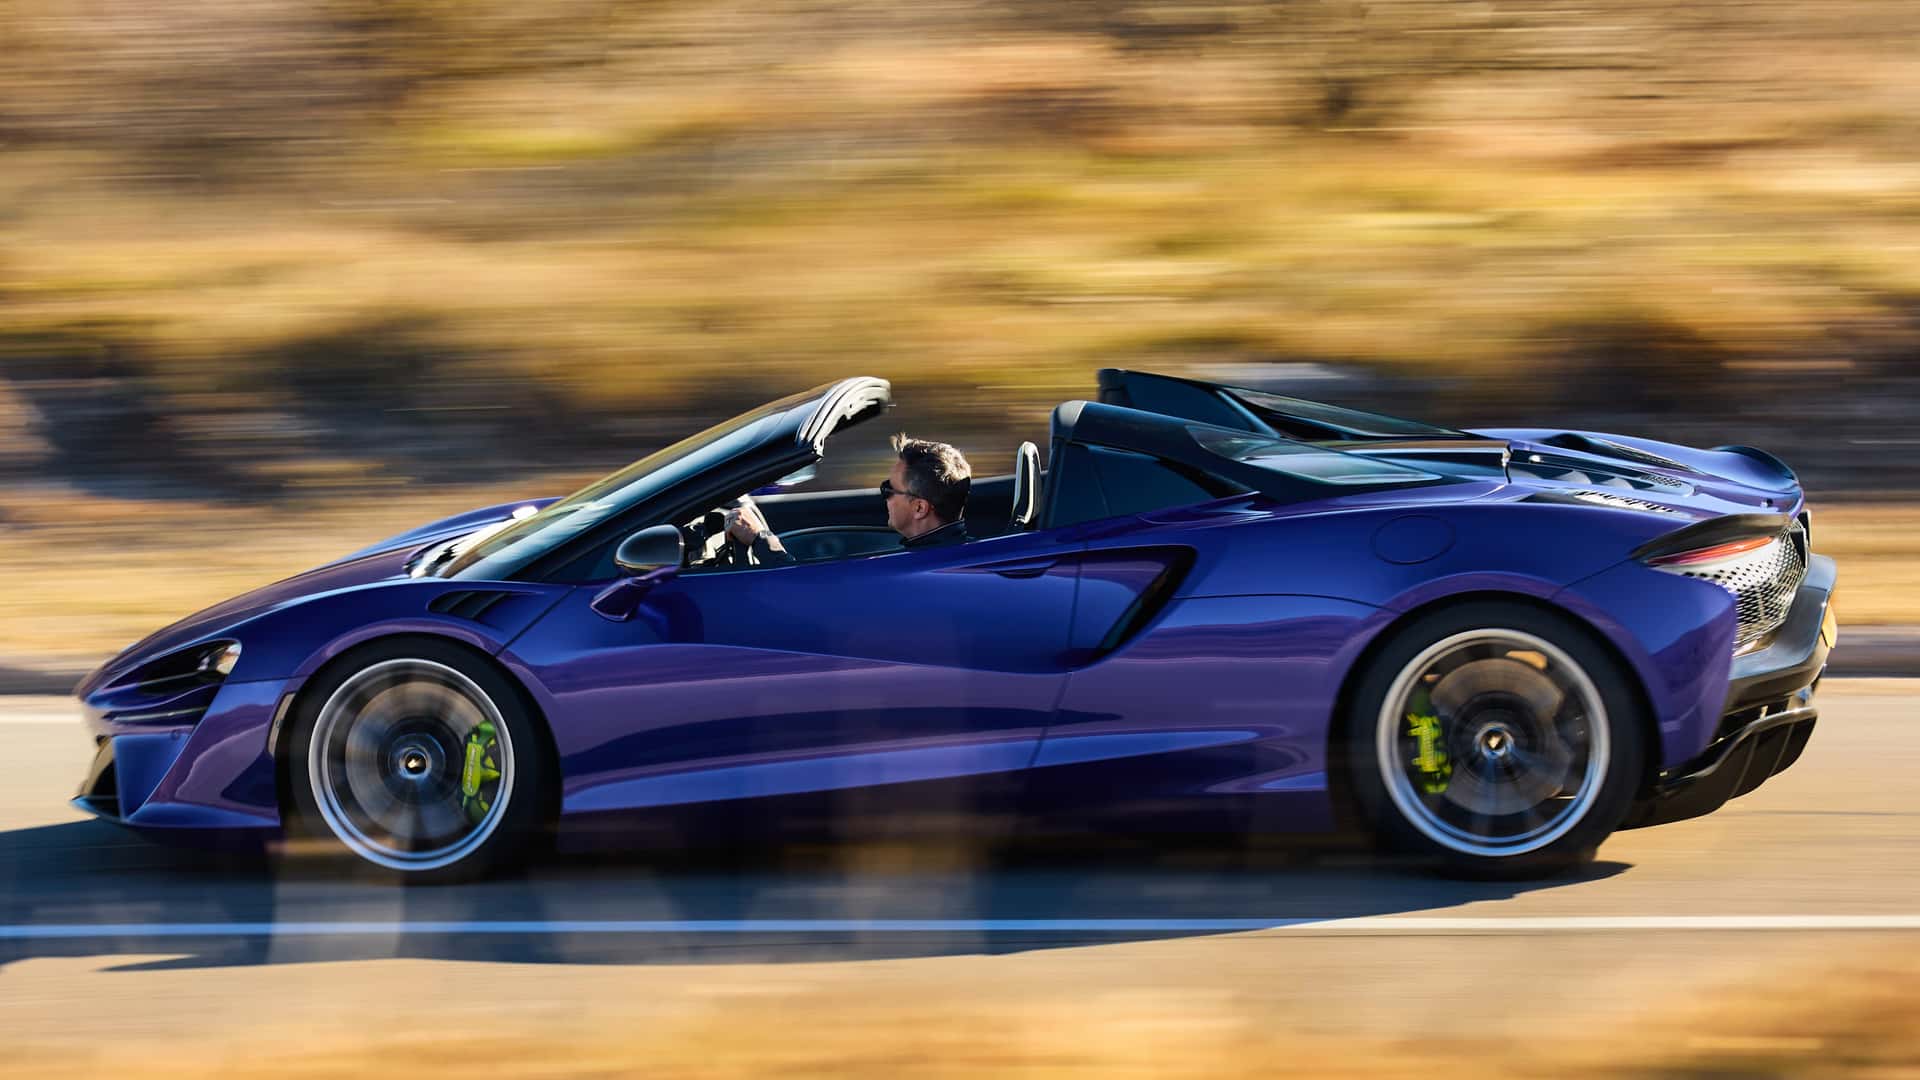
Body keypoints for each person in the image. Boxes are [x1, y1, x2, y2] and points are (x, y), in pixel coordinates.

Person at [724, 434, 972, 559]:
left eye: (889, 489)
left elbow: (810, 603)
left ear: (919, 508)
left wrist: (761, 539)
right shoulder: (945, 556)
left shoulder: (920, 568)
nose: (884, 496)